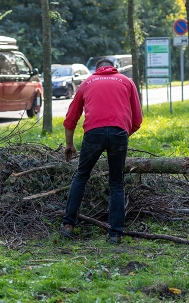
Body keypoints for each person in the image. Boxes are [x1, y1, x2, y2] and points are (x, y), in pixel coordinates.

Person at [61, 58, 143, 244]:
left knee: (81, 176)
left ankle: (68, 225)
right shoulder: (127, 82)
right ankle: (115, 234)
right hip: (119, 132)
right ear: (113, 68)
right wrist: (121, 135)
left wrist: (69, 144)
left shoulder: (86, 82)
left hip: (93, 133)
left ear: (97, 69)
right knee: (116, 182)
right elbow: (137, 120)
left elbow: (71, 118)